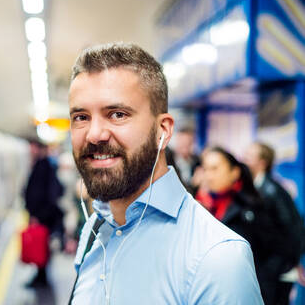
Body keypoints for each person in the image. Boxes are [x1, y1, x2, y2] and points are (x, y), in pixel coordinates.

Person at [68, 42, 263, 304]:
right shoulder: (95, 229)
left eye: (117, 114)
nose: (94, 134)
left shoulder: (216, 258)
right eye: (81, 117)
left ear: (163, 130)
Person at [196, 146, 286, 304]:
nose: (209, 176)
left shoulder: (252, 207)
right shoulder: (200, 205)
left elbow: (278, 249)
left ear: (234, 172)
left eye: (215, 169)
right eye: (205, 169)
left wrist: (264, 283)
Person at [244, 142, 305, 305]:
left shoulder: (273, 191)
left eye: (250, 156)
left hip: (276, 271)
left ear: (262, 162)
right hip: (265, 268)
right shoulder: (255, 189)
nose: (244, 159)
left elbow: (293, 229)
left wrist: (283, 264)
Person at [23, 140, 64, 287]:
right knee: (41, 245)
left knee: (40, 246)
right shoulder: (43, 165)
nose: (31, 151)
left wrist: (37, 215)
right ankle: (40, 276)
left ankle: (42, 277)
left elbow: (42, 193)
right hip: (42, 213)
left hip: (42, 215)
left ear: (39, 149)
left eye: (33, 148)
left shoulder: (43, 166)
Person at [173, 126, 200, 194]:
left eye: (188, 142)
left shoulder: (197, 161)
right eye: (182, 142)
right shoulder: (169, 160)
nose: (185, 146)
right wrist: (193, 184)